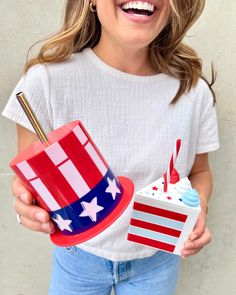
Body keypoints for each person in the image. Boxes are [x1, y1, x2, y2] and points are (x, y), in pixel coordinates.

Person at [2, 0, 219, 294]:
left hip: (158, 260)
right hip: (77, 259)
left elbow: (200, 172)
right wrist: (27, 206)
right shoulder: (45, 83)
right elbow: (29, 182)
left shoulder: (194, 92)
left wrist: (199, 208)